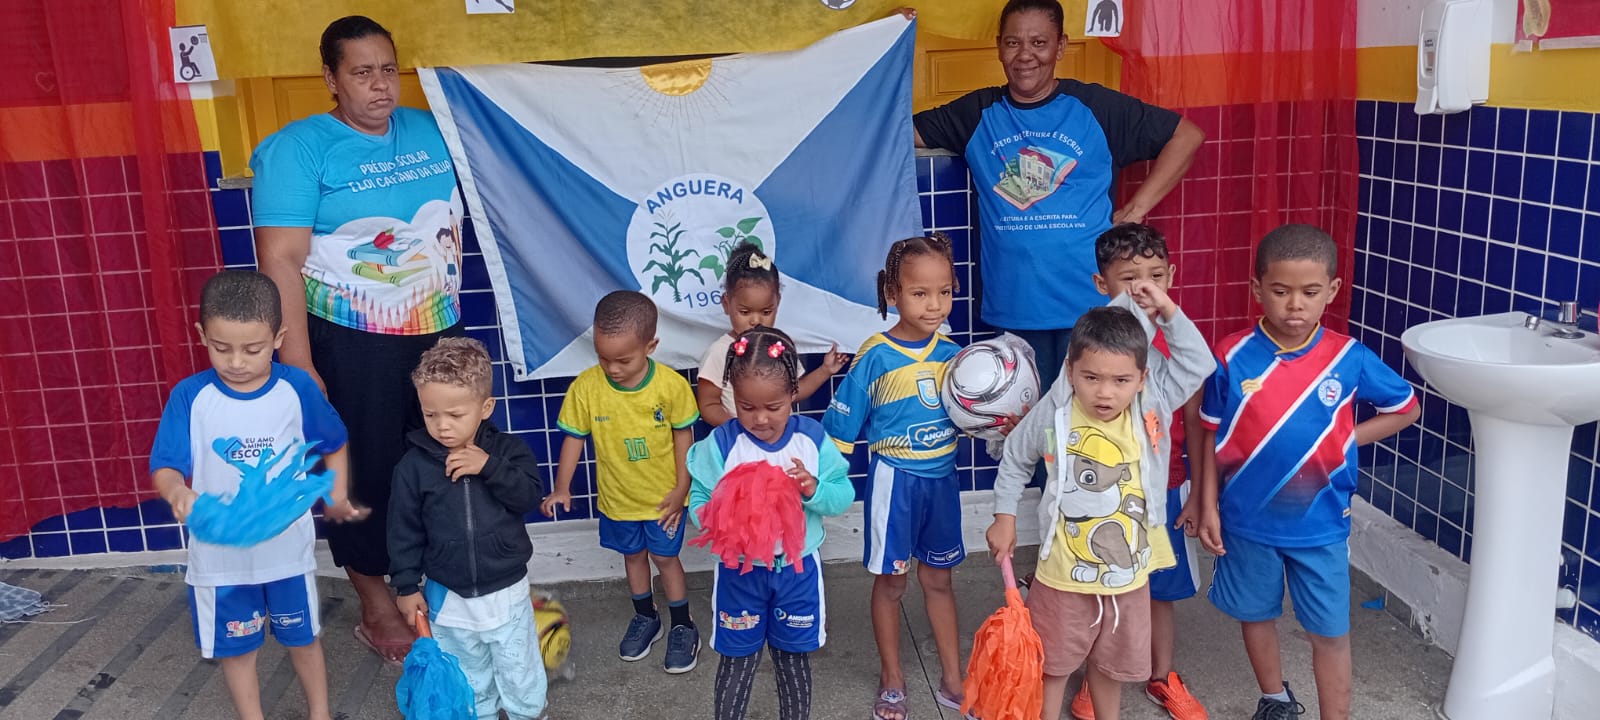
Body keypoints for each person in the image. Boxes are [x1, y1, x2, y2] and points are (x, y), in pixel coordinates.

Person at [250, 15, 465, 664]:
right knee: (364, 472)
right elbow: (280, 259)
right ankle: (376, 607)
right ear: (331, 78)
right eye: (362, 73)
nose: (380, 86)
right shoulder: (298, 149)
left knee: (447, 461)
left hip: (440, 332)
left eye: (388, 70)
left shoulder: (432, 128)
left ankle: (437, 593)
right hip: (352, 341)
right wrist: (298, 362)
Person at [910, 0, 1205, 384]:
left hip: (1092, 310)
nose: (1025, 55)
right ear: (999, 47)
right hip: (1015, 307)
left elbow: (1187, 136)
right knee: (1026, 418)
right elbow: (894, 129)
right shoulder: (977, 112)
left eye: (1039, 43)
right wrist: (895, 42)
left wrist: (1136, 208)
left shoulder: (1097, 108)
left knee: (1088, 414)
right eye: (1013, 43)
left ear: (1060, 46)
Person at [1197, 224, 1420, 720]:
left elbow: (1406, 408)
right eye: (1280, 291)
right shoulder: (1231, 355)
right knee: (1255, 613)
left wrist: (1344, 438)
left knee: (1330, 631)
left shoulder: (1348, 357)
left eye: (1310, 292)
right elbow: (1209, 434)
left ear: (1332, 290)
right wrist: (1207, 504)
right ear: (1257, 288)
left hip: (1321, 525)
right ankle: (1275, 699)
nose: (1295, 305)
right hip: (1245, 522)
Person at [149, 270, 366, 720]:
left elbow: (334, 441)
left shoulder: (296, 388)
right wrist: (176, 490)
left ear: (278, 338)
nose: (236, 362)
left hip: (287, 553)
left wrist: (337, 494)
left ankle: (320, 713)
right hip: (220, 559)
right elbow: (165, 464)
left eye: (253, 349)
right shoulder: (190, 397)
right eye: (221, 347)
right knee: (237, 650)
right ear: (201, 335)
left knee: (303, 639)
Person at [987, 294, 1215, 720]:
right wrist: (1004, 516)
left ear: (1142, 378)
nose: (1105, 392)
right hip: (1062, 575)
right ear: (1070, 370)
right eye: (1091, 377)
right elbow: (1016, 456)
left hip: (1127, 578)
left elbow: (1198, 363)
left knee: (1110, 669)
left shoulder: (1152, 406)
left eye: (1120, 380)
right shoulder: (1057, 412)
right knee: (1052, 666)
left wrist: (1168, 311)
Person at [822, 235, 967, 720]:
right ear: (892, 293)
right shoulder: (875, 356)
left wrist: (998, 422)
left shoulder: (955, 355)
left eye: (944, 292)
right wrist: (821, 490)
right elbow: (840, 432)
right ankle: (892, 677)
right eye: (920, 293)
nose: (934, 305)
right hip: (896, 483)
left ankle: (953, 678)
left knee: (940, 579)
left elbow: (973, 420)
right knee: (892, 583)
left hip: (942, 483)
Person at [1069, 223, 1209, 720]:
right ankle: (1095, 680)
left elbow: (1200, 365)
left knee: (1160, 592)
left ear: (1171, 276)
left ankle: (1160, 676)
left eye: (1156, 276)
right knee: (1100, 595)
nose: (1144, 289)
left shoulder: (1166, 359)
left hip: (1158, 495)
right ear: (1102, 284)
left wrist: (1196, 494)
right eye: (1130, 279)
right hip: (1101, 503)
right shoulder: (1088, 354)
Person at [687, 326, 854, 720]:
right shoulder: (723, 444)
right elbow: (698, 499)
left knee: (792, 659)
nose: (760, 419)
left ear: (794, 392)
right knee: (737, 661)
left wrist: (813, 489)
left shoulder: (811, 440)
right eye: (746, 407)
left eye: (774, 407)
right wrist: (724, 515)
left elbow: (842, 494)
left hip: (797, 573)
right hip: (739, 574)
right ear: (732, 395)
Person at [540, 290, 702, 674]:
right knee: (633, 557)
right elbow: (574, 438)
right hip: (618, 501)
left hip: (664, 501)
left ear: (651, 346)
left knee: (666, 558)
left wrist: (682, 489)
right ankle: (646, 617)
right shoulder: (586, 388)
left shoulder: (671, 386)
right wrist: (562, 487)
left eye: (623, 360)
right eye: (603, 358)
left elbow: (685, 439)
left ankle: (683, 624)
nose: (612, 368)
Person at [388, 337, 547, 720]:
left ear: (485, 408)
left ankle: (528, 714)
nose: (442, 426)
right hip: (448, 596)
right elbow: (403, 530)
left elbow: (528, 496)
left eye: (455, 414)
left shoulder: (508, 452)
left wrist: (489, 466)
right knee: (467, 676)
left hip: (506, 591)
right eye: (430, 414)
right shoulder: (413, 467)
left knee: (519, 670)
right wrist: (406, 587)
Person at [697, 242, 847, 427]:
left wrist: (825, 370)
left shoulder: (780, 346)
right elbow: (708, 404)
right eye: (745, 312)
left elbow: (795, 392)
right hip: (741, 442)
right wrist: (737, 429)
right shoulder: (719, 352)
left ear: (778, 303)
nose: (756, 320)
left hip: (783, 440)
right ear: (727, 304)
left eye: (766, 312)